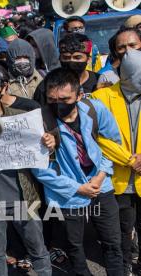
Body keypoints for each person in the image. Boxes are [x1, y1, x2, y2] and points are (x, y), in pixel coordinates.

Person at [31, 68, 123, 276]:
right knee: (74, 245)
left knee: (112, 241)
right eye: (52, 99)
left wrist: (100, 176)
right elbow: (40, 170)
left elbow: (112, 146)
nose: (58, 104)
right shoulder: (40, 121)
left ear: (79, 95)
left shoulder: (95, 110)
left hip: (101, 184)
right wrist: (78, 188)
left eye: (65, 99)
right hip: (68, 193)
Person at [0, 63, 53, 276]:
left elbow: (44, 155)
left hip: (24, 197)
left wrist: (49, 144)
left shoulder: (22, 118)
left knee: (38, 249)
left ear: (4, 87)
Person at [91, 49, 141, 275]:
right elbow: (96, 137)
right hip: (117, 178)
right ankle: (125, 265)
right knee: (121, 230)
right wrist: (129, 159)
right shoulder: (100, 98)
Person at [34, 33, 99, 105]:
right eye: (66, 57)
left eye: (77, 57)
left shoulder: (98, 81)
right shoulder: (46, 85)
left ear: (88, 59)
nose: (71, 61)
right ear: (60, 59)